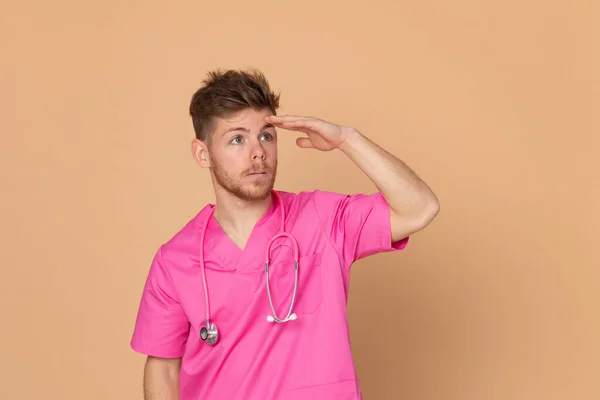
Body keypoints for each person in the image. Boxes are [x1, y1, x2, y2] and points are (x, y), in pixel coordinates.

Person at [130, 68, 440, 399]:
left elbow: (419, 208)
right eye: (237, 139)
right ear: (202, 153)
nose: (257, 152)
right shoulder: (175, 259)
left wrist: (348, 140)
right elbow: (162, 366)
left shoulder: (322, 219)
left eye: (266, 135)